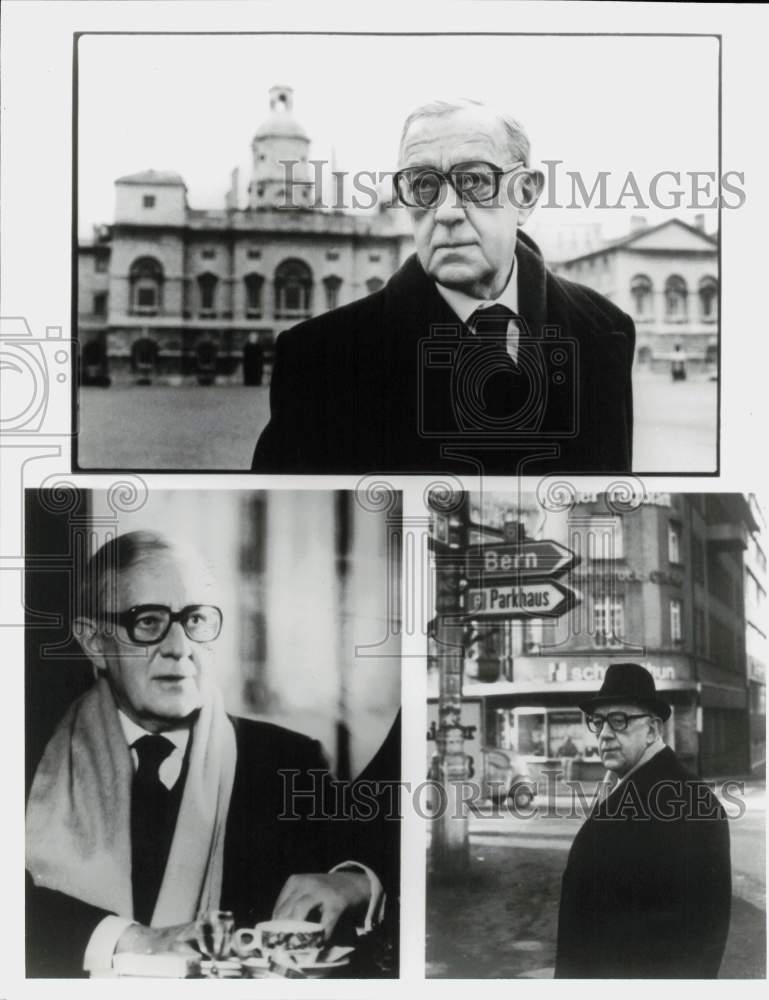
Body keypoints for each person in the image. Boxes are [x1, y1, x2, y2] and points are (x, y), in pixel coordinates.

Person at [25, 531, 397, 978]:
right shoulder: (26, 764)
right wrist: (133, 940)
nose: (179, 647)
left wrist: (356, 880)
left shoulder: (287, 761)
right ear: (93, 642)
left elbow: (364, 868)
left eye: (196, 620)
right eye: (148, 621)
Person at [252, 98, 635, 474]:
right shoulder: (318, 361)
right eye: (423, 185)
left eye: (473, 181)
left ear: (525, 194)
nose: (446, 211)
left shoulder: (604, 330)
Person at [555, 662, 731, 978]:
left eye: (619, 720)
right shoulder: (626, 785)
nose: (605, 734)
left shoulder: (686, 803)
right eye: (599, 722)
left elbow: (693, 940)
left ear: (652, 730)